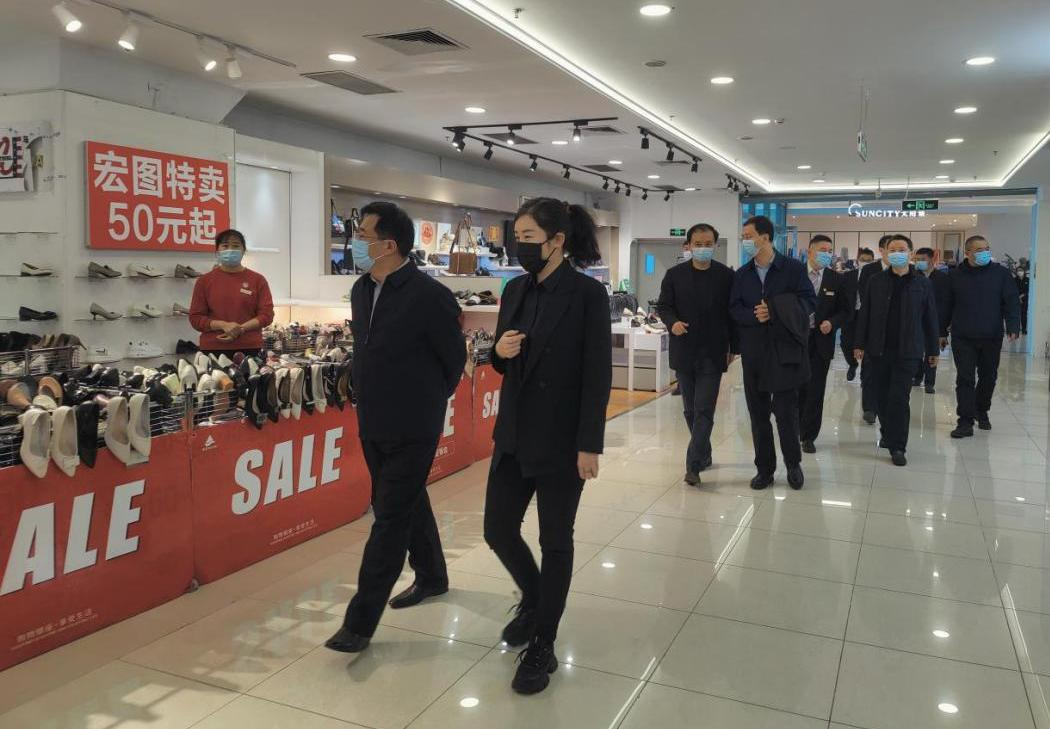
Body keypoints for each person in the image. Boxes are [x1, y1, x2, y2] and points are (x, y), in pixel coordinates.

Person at [326, 202, 466, 654]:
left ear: (388, 244)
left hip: (414, 421)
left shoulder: (430, 295)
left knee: (388, 516)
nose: (355, 242)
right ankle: (433, 575)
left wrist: (427, 400)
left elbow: (454, 359)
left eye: (363, 235)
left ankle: (360, 623)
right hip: (373, 417)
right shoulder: (361, 288)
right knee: (404, 500)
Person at [484, 198, 611, 695]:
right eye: (517, 237)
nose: (520, 247)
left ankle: (544, 641)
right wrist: (498, 351)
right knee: (497, 529)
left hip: (561, 439)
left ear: (557, 241)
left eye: (530, 238)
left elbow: (597, 373)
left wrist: (589, 444)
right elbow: (502, 357)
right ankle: (537, 599)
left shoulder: (587, 294)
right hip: (514, 433)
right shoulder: (514, 289)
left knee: (555, 540)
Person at [729, 215, 816, 490]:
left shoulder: (792, 269)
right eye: (743, 237)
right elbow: (734, 309)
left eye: (748, 236)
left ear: (765, 237)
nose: (745, 241)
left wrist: (775, 311)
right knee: (758, 415)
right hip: (754, 353)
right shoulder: (742, 274)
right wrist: (755, 316)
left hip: (784, 353)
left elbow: (808, 302)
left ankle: (793, 464)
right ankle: (764, 469)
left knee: (786, 414)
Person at [656, 223, 738, 485]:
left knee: (704, 409)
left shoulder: (726, 276)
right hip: (684, 351)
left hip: (713, 352)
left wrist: (734, 347)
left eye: (708, 244)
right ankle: (704, 452)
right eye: (698, 244)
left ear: (715, 245)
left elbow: (733, 314)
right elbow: (664, 306)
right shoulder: (674, 275)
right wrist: (673, 323)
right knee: (690, 410)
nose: (703, 248)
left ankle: (693, 465)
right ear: (688, 246)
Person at [853, 235, 939, 467]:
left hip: (908, 351)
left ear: (910, 253)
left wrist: (933, 349)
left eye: (902, 249)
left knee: (899, 398)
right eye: (892, 249)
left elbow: (930, 317)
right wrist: (859, 343)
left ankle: (898, 446)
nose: (897, 253)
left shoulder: (922, 283)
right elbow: (865, 313)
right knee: (881, 396)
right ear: (885, 253)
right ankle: (888, 433)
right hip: (878, 349)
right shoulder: (876, 281)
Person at [941, 235, 1022, 438]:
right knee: (965, 378)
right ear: (967, 253)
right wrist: (941, 331)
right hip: (963, 336)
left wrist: (1013, 325)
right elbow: (946, 305)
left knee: (989, 377)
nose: (984, 253)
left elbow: (1011, 301)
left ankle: (981, 409)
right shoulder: (955, 276)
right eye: (978, 250)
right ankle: (965, 421)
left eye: (986, 248)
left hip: (991, 335)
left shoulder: (1001, 274)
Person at [798, 235, 851, 453]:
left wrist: (833, 322)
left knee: (815, 388)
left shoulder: (836, 279)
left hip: (821, 340)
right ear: (810, 251)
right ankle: (794, 426)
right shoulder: (794, 274)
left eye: (829, 251)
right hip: (795, 340)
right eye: (822, 249)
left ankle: (808, 435)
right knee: (796, 387)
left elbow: (846, 311)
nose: (826, 254)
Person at [188, 229, 274, 357]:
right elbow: (196, 318)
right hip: (213, 348)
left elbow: (267, 315)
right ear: (217, 251)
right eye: (225, 246)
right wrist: (223, 325)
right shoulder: (204, 281)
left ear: (243, 250)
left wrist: (241, 329)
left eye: (236, 246)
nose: (230, 250)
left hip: (250, 347)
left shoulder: (258, 280)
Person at [856, 235, 894, 423]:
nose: (895, 253)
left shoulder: (908, 273)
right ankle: (869, 408)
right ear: (882, 250)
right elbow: (865, 303)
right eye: (891, 249)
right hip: (874, 329)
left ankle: (888, 408)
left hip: (897, 332)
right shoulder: (869, 271)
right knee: (870, 371)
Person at [912, 247, 950, 394]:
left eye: (923, 259)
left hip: (935, 321)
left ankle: (929, 382)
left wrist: (943, 330)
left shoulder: (943, 278)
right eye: (917, 260)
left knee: (932, 351)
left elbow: (946, 303)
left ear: (932, 259)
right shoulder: (913, 277)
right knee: (916, 351)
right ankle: (917, 376)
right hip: (916, 321)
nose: (919, 262)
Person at [840, 247, 874, 381]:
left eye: (868, 261)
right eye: (862, 260)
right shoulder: (849, 276)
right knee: (845, 343)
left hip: (869, 316)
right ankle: (852, 364)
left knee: (867, 345)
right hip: (851, 314)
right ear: (857, 260)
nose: (865, 262)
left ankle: (865, 375)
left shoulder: (876, 277)